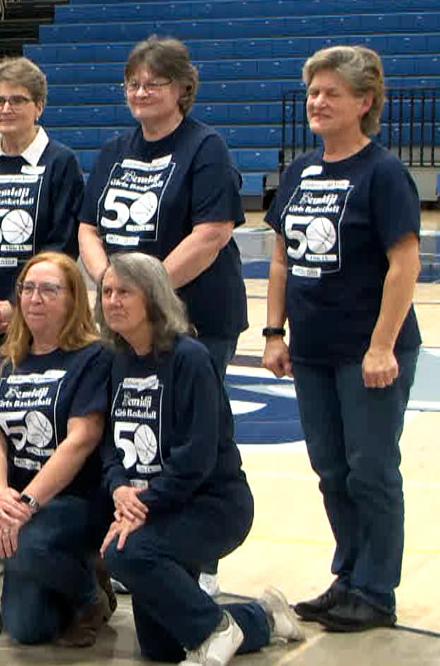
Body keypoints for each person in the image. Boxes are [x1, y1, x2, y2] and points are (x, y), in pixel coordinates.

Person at [77, 36, 247, 596]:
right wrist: (110, 287)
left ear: (182, 89)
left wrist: (147, 293)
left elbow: (212, 233)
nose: (142, 91)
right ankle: (142, 539)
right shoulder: (114, 150)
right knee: (135, 430)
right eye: (133, 83)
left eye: (155, 82)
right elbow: (88, 229)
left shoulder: (205, 148)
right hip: (129, 321)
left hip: (197, 317)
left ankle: (200, 555)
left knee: (192, 435)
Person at [262, 45, 422, 633]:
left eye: (331, 93)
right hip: (312, 349)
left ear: (365, 102)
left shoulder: (383, 173)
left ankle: (377, 590)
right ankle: (349, 574)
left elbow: (403, 266)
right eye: (313, 93)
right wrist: (275, 332)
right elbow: (280, 259)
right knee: (330, 469)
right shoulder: (300, 171)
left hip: (369, 350)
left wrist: (381, 346)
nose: (318, 102)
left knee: (371, 469)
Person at [97, 252, 305, 665]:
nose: (112, 301)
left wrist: (140, 506)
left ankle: (214, 631)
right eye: (106, 292)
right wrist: (119, 487)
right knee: (162, 647)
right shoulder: (116, 360)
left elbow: (197, 457)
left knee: (123, 552)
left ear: (154, 299)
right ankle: (261, 616)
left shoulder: (189, 359)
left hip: (210, 505)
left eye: (125, 292)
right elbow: (108, 444)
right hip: (150, 508)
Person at [0, 55, 85, 582]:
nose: (6, 109)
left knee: (38, 427)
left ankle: (47, 529)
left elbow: (61, 243)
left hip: (37, 318)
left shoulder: (62, 164)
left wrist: (16, 301)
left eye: (18, 101)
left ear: (39, 106)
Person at [0, 252, 112, 646]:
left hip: (75, 500)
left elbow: (81, 439)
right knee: (26, 629)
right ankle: (67, 577)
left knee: (25, 546)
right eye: (28, 289)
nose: (35, 298)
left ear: (72, 299)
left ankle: (89, 596)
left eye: (49, 290)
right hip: (19, 503)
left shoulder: (94, 356)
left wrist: (28, 504)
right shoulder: (3, 360)